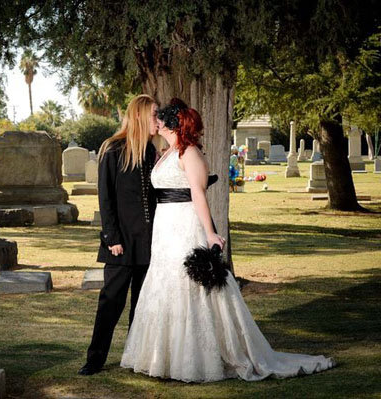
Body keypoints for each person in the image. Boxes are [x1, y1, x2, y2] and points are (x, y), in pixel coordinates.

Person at [120, 98, 335, 382]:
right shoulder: (166, 152)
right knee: (165, 284)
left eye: (161, 117)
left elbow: (198, 194)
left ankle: (200, 357)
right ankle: (166, 357)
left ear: (173, 122)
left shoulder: (190, 154)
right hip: (165, 229)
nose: (156, 120)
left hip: (185, 224)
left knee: (190, 288)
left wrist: (210, 233)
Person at [78, 94, 159, 376]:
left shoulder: (150, 151)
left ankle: (136, 356)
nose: (157, 122)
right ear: (140, 116)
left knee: (143, 303)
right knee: (111, 302)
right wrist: (111, 238)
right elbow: (106, 198)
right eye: (154, 115)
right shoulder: (112, 149)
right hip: (120, 243)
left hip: (149, 242)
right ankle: (95, 359)